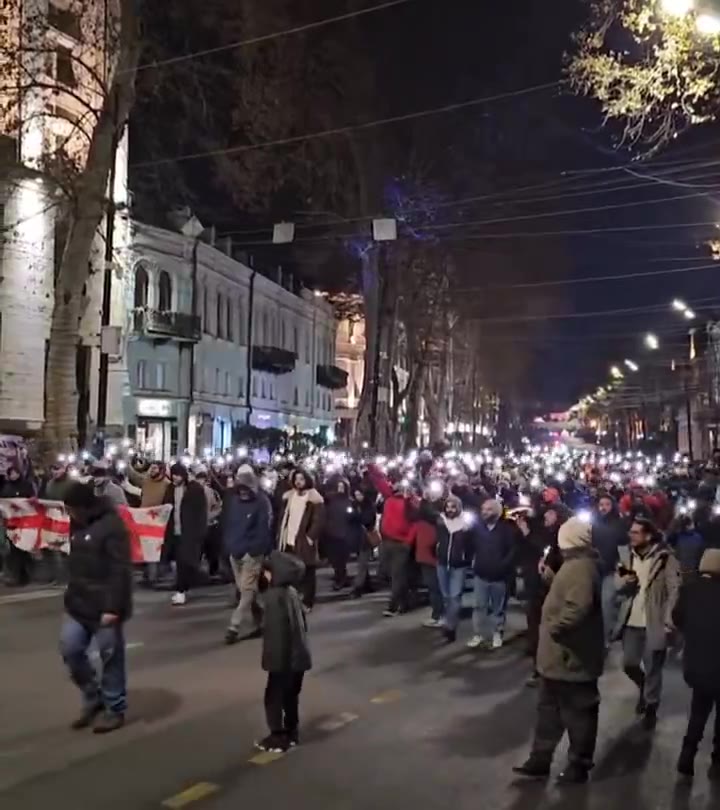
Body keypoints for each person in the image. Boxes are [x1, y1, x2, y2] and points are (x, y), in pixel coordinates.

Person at [514, 517, 604, 785]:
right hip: (559, 659)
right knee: (549, 712)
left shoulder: (579, 568)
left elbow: (577, 607)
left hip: (571, 658)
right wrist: (552, 579)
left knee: (578, 714)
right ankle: (540, 760)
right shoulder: (575, 566)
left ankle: (578, 764)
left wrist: (554, 627)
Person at [59, 482, 132, 734]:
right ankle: (93, 696)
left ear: (83, 506)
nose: (68, 514)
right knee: (70, 649)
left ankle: (114, 708)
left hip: (105, 606)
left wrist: (112, 607)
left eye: (71, 509)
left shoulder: (111, 525)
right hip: (79, 602)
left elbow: (119, 570)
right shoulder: (77, 523)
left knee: (110, 655)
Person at [613, 517, 680, 730]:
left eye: (635, 532)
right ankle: (643, 688)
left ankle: (651, 706)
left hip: (654, 622)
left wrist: (669, 617)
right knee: (629, 664)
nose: (630, 535)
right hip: (631, 620)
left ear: (648, 536)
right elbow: (617, 584)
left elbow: (674, 589)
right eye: (630, 532)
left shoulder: (665, 558)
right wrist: (625, 582)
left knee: (653, 669)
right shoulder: (626, 557)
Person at [256, 550, 312, 754]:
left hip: (283, 659)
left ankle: (277, 736)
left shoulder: (274, 597)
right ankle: (292, 733)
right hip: (299, 659)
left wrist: (273, 664)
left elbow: (276, 635)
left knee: (274, 697)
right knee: (291, 698)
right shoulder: (292, 593)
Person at [673, 548, 720, 780]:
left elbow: (676, 618)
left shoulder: (689, 590)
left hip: (697, 663)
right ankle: (717, 763)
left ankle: (686, 756)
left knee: (698, 712)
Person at [223, 467, 273, 644]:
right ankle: (264, 620)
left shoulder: (262, 502)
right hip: (235, 551)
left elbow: (264, 529)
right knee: (248, 590)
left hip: (252, 553)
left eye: (246, 489)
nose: (243, 492)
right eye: (240, 488)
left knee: (246, 590)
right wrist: (229, 545)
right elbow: (229, 524)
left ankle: (234, 626)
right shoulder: (234, 501)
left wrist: (255, 550)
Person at [367, 464, 418, 617]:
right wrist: (371, 466)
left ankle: (394, 605)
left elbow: (415, 523)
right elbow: (379, 480)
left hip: (401, 544)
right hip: (387, 541)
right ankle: (404, 601)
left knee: (398, 575)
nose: (397, 487)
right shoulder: (389, 497)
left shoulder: (411, 502)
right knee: (389, 574)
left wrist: (408, 541)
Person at [467, 498, 517, 650]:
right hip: (481, 573)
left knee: (498, 608)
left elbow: (513, 551)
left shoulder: (506, 529)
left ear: (496, 512)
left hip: (500, 576)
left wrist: (503, 566)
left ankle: (497, 633)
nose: (484, 512)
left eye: (488, 509)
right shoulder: (477, 528)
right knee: (479, 606)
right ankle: (479, 634)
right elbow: (469, 546)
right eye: (483, 509)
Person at [276, 470, 324, 611]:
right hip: (289, 539)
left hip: (304, 540)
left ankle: (307, 601)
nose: (298, 482)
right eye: (296, 479)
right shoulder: (289, 497)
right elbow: (283, 517)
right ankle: (295, 599)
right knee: (292, 571)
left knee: (308, 572)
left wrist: (310, 537)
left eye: (301, 479)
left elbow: (319, 521)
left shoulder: (314, 498)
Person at [163, 463, 208, 606]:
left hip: (189, 532)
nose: (175, 478)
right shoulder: (170, 488)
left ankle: (182, 589)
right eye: (173, 475)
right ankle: (181, 588)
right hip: (174, 532)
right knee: (178, 562)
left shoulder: (195, 489)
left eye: (177, 475)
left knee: (185, 562)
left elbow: (201, 512)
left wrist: (200, 532)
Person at [435, 495, 474, 643]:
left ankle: (450, 627)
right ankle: (448, 621)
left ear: (459, 507)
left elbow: (472, 544)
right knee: (446, 596)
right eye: (448, 507)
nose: (450, 510)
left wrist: (467, 558)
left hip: (459, 565)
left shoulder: (466, 524)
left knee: (455, 597)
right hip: (442, 563)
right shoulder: (440, 521)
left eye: (453, 507)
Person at [592, 494, 628, 645]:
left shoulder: (619, 524)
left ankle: (606, 638)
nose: (603, 507)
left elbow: (623, 551)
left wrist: (624, 572)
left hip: (610, 570)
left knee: (607, 604)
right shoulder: (593, 523)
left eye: (607, 504)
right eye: (601, 504)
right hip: (594, 569)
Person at [411, 495, 443, 629]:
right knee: (437, 588)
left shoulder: (422, 522)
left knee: (434, 588)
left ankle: (438, 616)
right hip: (433, 557)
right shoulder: (438, 521)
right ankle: (440, 614)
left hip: (428, 557)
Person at [1, 464, 36, 586]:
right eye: (10, 474)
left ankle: (25, 575)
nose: (12, 476)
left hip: (24, 521)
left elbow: (31, 500)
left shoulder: (26, 485)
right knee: (14, 549)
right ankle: (17, 576)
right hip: (11, 522)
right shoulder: (6, 487)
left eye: (15, 473)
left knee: (23, 548)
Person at [322, 477, 353, 590]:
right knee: (335, 559)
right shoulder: (330, 500)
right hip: (332, 533)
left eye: (342, 487)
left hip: (344, 534)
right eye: (338, 486)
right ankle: (340, 577)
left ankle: (341, 578)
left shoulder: (349, 501)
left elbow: (351, 517)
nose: (340, 489)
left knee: (341, 559)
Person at [350, 487, 379, 598]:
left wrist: (357, 516)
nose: (358, 497)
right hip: (357, 538)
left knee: (362, 564)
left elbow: (368, 520)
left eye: (360, 494)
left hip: (366, 538)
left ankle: (357, 588)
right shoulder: (354, 505)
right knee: (362, 564)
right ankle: (367, 585)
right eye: (356, 495)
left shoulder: (369, 505)